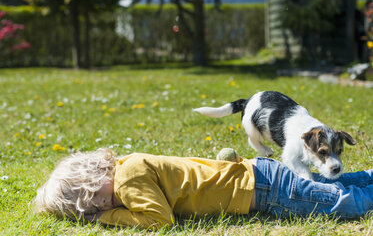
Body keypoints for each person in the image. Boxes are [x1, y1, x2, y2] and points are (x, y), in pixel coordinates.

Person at [34, 148, 373, 229]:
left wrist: (106, 217)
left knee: (345, 205)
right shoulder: (129, 164)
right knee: (337, 184)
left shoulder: (127, 181)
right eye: (94, 208)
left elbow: (158, 219)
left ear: (94, 182)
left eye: (95, 200)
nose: (104, 204)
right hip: (259, 175)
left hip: (266, 189)